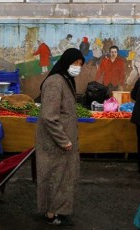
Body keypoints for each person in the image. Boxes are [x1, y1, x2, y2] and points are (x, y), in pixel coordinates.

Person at [36, 48, 85, 226]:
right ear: (66, 62)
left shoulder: (66, 79)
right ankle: (50, 213)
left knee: (64, 177)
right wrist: (63, 140)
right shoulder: (55, 82)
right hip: (54, 142)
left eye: (80, 64)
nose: (77, 67)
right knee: (54, 177)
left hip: (63, 141)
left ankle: (59, 209)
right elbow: (49, 116)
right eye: (75, 63)